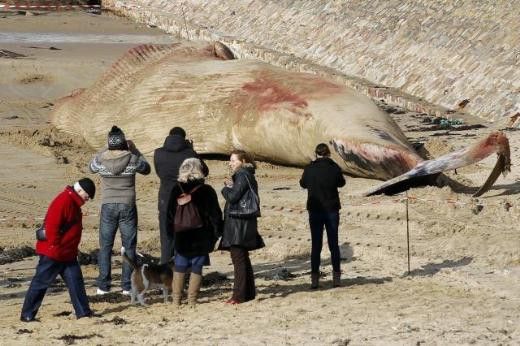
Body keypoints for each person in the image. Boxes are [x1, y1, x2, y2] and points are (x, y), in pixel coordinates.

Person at [20, 178, 96, 322]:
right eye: (87, 196)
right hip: (54, 253)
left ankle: (83, 313)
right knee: (40, 283)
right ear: (80, 191)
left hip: (67, 253)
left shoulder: (72, 202)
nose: (88, 199)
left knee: (76, 282)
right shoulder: (64, 201)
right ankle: (27, 315)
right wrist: (55, 246)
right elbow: (52, 226)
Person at [89, 125, 151, 295]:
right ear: (124, 142)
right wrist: (135, 149)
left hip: (108, 205)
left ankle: (103, 285)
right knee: (129, 246)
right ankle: (126, 285)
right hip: (127, 205)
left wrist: (105, 149)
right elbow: (147, 169)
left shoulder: (102, 159)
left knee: (105, 247)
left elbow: (91, 167)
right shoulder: (132, 158)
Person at [167, 158, 223, 306]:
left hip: (181, 235)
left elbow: (169, 215)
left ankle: (176, 300)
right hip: (201, 235)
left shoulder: (175, 189)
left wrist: (171, 234)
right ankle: (192, 300)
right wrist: (218, 233)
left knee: (179, 268)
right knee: (196, 268)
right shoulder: (207, 190)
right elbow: (215, 215)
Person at [154, 126, 209, 264]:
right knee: (185, 237)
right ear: (183, 139)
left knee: (166, 238)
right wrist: (192, 150)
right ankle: (184, 273)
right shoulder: (189, 153)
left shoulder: (158, 153)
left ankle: (166, 273)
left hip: (165, 198)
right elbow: (204, 171)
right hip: (185, 199)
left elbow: (160, 172)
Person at [219, 150, 264, 304]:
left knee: (238, 259)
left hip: (238, 224)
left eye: (233, 160)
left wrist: (225, 188)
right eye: (230, 161)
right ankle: (249, 293)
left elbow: (233, 197)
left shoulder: (242, 174)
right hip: (244, 222)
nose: (231, 164)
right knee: (243, 258)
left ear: (243, 161)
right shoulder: (247, 174)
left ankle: (238, 296)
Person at [300, 143, 346, 289]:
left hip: (315, 210)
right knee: (333, 244)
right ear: (328, 154)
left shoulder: (310, 168)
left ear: (316, 154)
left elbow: (303, 184)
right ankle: (336, 278)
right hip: (331, 209)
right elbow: (342, 183)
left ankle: (315, 279)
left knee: (316, 245)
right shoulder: (333, 167)